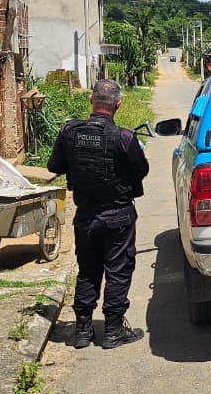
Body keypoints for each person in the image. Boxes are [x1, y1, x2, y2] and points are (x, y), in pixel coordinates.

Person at [48, 78, 149, 350]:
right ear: (118, 104)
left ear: (91, 101)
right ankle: (113, 331)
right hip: (118, 215)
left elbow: (53, 165)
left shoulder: (69, 132)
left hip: (86, 216)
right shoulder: (125, 137)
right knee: (118, 269)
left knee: (88, 270)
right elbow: (141, 170)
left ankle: (83, 330)